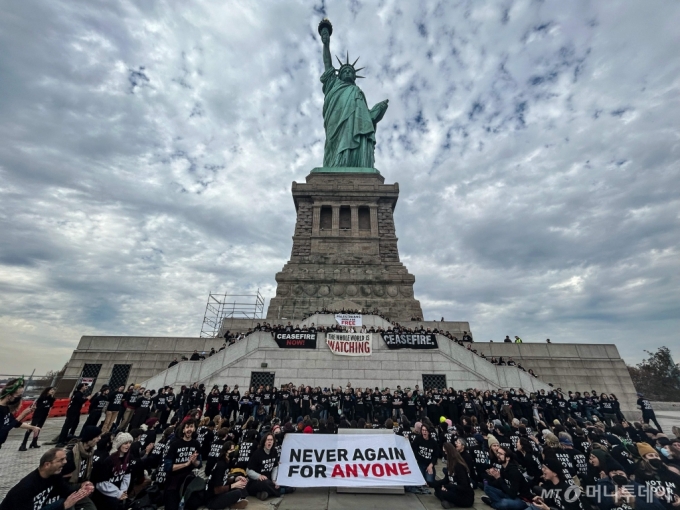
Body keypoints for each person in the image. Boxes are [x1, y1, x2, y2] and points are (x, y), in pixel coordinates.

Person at [318, 20, 388, 168]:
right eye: (345, 71)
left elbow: (365, 120)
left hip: (354, 127)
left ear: (355, 77)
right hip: (336, 123)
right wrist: (326, 44)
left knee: (357, 138)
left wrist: (377, 111)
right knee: (334, 145)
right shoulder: (334, 84)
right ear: (339, 75)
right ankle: (336, 164)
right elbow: (327, 64)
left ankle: (355, 164)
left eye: (351, 71)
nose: (348, 72)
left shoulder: (357, 92)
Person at [0, 447, 94, 510]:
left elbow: (66, 490)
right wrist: (62, 506)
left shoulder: (55, 475)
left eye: (65, 459)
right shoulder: (25, 488)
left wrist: (81, 487)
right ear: (47, 464)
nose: (65, 462)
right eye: (61, 460)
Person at [163, 418, 202, 510]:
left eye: (191, 427)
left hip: (188, 479)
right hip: (174, 480)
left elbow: (199, 464)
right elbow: (167, 467)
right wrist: (186, 464)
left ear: (194, 429)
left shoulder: (196, 444)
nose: (189, 429)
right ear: (183, 430)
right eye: (187, 427)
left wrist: (194, 461)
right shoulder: (175, 444)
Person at [90, 432, 133, 510]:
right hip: (106, 493)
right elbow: (100, 483)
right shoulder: (109, 460)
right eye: (125, 443)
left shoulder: (128, 458)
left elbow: (127, 475)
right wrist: (118, 493)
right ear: (119, 445)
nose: (128, 445)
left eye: (130, 443)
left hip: (119, 492)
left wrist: (123, 491)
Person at [483, 446, 530, 510]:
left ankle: (493, 503)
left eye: (501, 454)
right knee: (487, 487)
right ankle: (498, 502)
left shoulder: (514, 472)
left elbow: (513, 494)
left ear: (508, 458)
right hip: (508, 494)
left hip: (521, 499)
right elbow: (501, 486)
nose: (498, 455)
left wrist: (499, 478)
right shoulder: (503, 468)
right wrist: (493, 476)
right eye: (498, 453)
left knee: (504, 503)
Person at [0, 376, 41, 449]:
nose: (19, 398)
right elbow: (3, 430)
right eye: (18, 395)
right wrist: (22, 415)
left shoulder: (6, 408)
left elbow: (15, 423)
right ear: (9, 396)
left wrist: (33, 427)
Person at [205, 441, 249, 509]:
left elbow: (224, 480)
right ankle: (233, 504)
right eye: (231, 450)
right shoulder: (221, 465)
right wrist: (233, 485)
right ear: (225, 452)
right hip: (212, 499)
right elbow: (216, 489)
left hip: (219, 493)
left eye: (234, 449)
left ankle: (234, 503)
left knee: (240, 484)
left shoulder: (226, 463)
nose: (233, 451)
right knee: (237, 492)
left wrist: (235, 479)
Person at [247, 432, 288, 500]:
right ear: (264, 442)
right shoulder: (257, 453)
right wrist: (258, 476)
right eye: (268, 440)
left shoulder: (274, 451)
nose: (269, 441)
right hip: (256, 481)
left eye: (271, 440)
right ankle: (282, 491)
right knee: (266, 483)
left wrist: (274, 480)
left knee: (276, 482)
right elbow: (248, 471)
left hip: (269, 479)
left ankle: (262, 494)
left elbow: (275, 467)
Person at [433, 442, 475, 508]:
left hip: (465, 496)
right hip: (455, 490)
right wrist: (432, 483)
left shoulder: (458, 466)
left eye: (446, 452)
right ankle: (450, 501)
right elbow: (445, 480)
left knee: (443, 493)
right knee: (437, 487)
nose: (444, 454)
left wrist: (447, 487)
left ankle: (450, 502)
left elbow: (464, 486)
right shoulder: (450, 464)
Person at [19, 385, 55, 451]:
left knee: (38, 428)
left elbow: (50, 407)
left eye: (53, 390)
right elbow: (37, 405)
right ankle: (23, 444)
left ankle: (34, 442)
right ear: (47, 391)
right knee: (31, 427)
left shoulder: (52, 399)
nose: (52, 391)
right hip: (38, 414)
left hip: (44, 415)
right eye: (51, 390)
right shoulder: (41, 398)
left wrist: (47, 414)